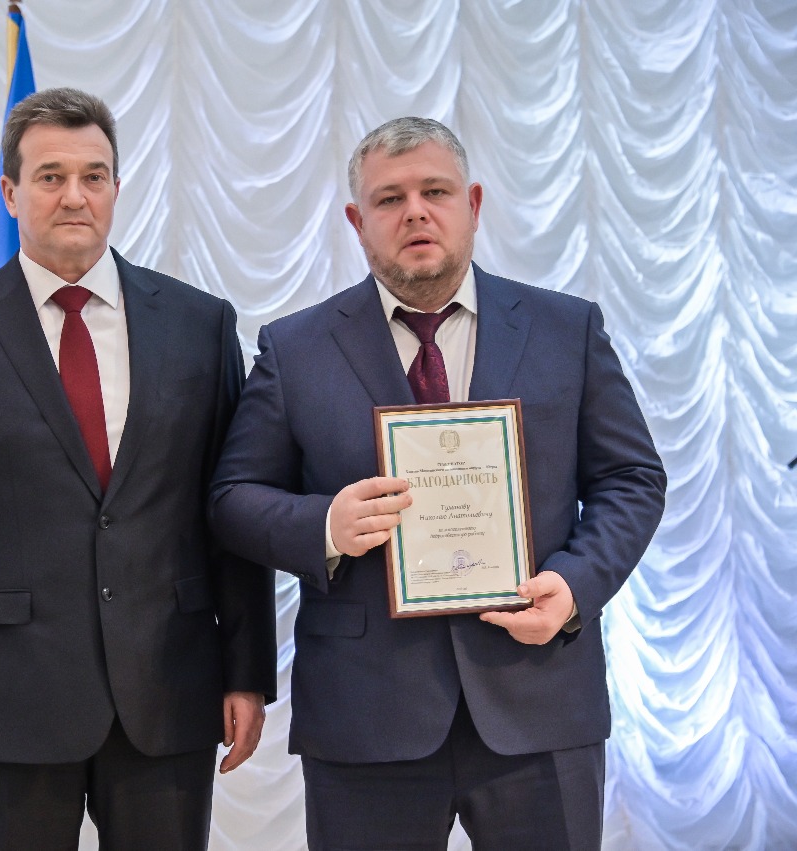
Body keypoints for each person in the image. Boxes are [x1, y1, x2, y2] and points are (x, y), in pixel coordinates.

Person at [209, 117, 667, 850]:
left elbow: (631, 477)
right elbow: (233, 498)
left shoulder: (566, 329)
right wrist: (325, 525)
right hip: (365, 712)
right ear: (357, 221)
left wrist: (575, 584)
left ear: (473, 204)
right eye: (389, 199)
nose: (415, 212)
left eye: (435, 192)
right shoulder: (295, 348)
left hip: (539, 698)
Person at [0, 87, 276, 850]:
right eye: (50, 176)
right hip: (5, 706)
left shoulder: (201, 324)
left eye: (94, 175)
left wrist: (247, 671)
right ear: (10, 193)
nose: (74, 195)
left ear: (117, 187)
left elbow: (231, 509)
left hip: (169, 694)